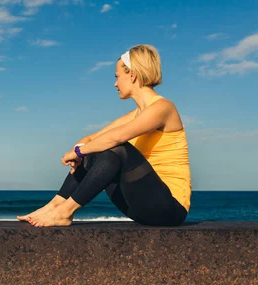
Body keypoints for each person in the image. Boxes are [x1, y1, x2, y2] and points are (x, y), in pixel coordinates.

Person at [17, 44, 191, 227]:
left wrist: (80, 152)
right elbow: (92, 139)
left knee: (116, 149)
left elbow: (116, 139)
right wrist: (78, 153)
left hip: (169, 208)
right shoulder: (134, 115)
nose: (115, 83)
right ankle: (53, 206)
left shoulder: (163, 108)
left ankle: (65, 212)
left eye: (117, 77)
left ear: (132, 74)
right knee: (94, 150)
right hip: (138, 207)